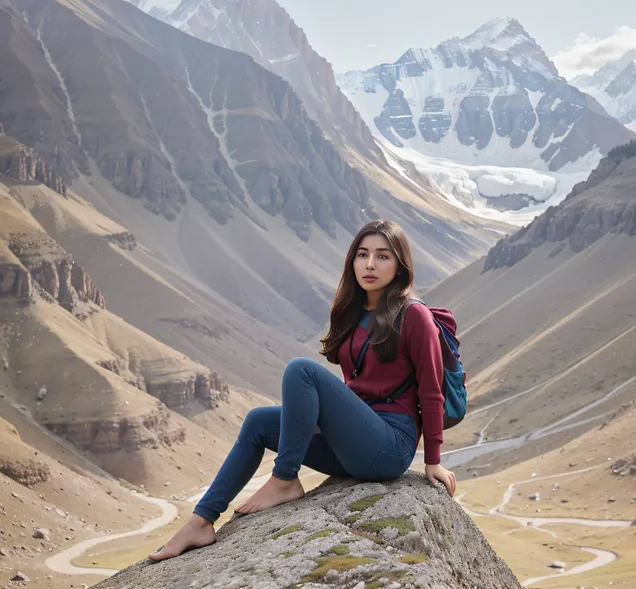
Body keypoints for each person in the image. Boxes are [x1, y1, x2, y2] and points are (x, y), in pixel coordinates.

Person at [149, 219, 457, 560]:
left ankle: (285, 479)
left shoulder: (415, 316)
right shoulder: (353, 312)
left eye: (383, 256)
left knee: (301, 370)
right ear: (351, 261)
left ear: (400, 266)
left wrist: (433, 461)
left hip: (389, 448)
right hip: (354, 444)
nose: (370, 264)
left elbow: (431, 392)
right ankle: (201, 521)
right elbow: (354, 392)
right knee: (259, 423)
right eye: (362, 254)